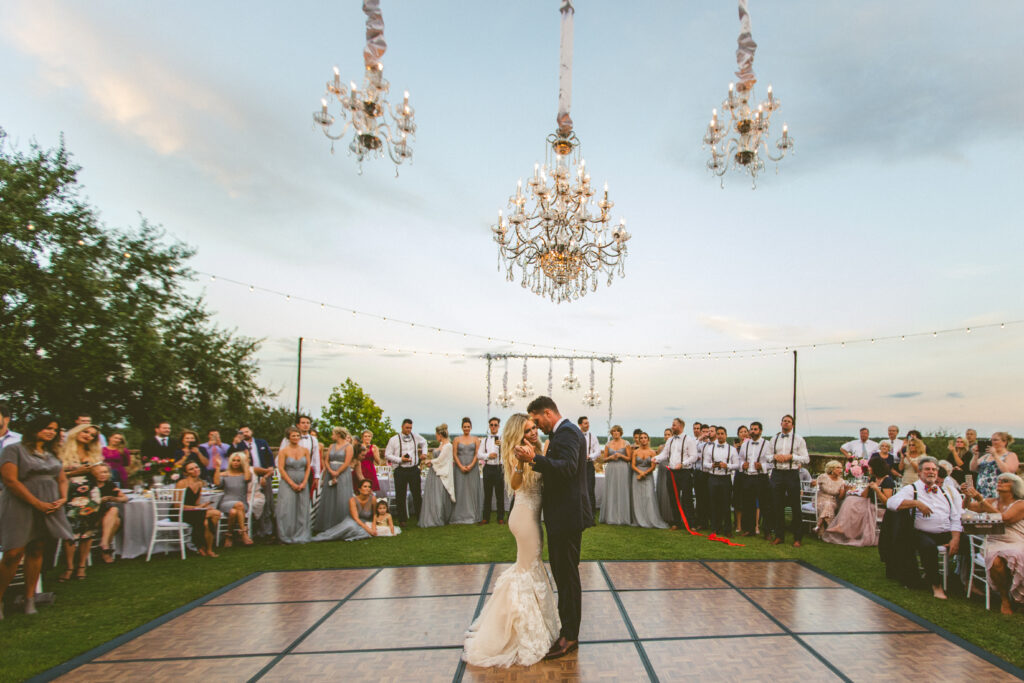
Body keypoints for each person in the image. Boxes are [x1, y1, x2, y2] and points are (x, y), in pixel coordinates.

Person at [463, 413, 560, 667]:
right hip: (524, 518)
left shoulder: (539, 448)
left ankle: (533, 623)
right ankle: (518, 632)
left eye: (534, 428)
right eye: (527, 430)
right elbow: (517, 484)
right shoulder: (516, 452)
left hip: (532, 517)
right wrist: (520, 461)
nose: (532, 432)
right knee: (527, 570)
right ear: (518, 433)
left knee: (530, 568)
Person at [513, 396, 592, 660]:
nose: (536, 426)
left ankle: (570, 636)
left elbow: (568, 468)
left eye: (536, 420)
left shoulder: (567, 432)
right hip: (562, 515)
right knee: (563, 574)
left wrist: (536, 458)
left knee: (567, 576)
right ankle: (567, 630)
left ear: (547, 413)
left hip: (567, 516)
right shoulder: (564, 433)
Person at [0, 415, 72, 618]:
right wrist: (36, 503)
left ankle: (29, 598)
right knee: (13, 553)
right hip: (20, 505)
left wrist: (63, 498)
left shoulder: (51, 453)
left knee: (37, 549)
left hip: (49, 505)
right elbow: (10, 481)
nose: (51, 432)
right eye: (47, 428)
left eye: (55, 429)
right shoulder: (13, 449)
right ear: (34, 429)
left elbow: (62, 478)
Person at [887, 457, 961, 599]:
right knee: (928, 546)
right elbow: (891, 502)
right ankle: (936, 585)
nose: (931, 472)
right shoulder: (912, 489)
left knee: (968, 543)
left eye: (934, 469)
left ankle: (965, 582)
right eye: (927, 469)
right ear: (919, 472)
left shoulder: (944, 492)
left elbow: (955, 517)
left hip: (945, 533)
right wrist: (916, 503)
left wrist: (955, 539)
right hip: (921, 533)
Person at [962, 473, 1024, 615]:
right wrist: (967, 496)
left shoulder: (1021, 504)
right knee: (996, 561)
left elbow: (1005, 519)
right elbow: (968, 507)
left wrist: (980, 499)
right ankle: (1005, 599)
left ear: (1014, 486)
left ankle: (1019, 598)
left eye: (1005, 481)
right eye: (999, 480)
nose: (1000, 482)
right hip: (994, 541)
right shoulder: (991, 501)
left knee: (1018, 554)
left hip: (1016, 541)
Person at [58, 423, 104, 581]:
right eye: (86, 431)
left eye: (92, 435)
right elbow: (57, 474)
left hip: (91, 495)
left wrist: (97, 472)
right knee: (70, 532)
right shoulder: (62, 451)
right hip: (70, 494)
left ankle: (82, 566)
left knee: (88, 532)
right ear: (77, 431)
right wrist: (78, 471)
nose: (88, 436)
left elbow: (101, 476)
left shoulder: (93, 453)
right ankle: (69, 566)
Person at [823, 457, 893, 547]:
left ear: (876, 467)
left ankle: (846, 528)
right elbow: (864, 496)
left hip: (879, 508)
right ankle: (842, 526)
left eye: (870, 467)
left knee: (855, 507)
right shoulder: (873, 478)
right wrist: (868, 487)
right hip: (869, 503)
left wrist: (877, 490)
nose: (868, 468)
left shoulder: (887, 481)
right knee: (849, 499)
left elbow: (888, 502)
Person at [770, 415, 810, 547]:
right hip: (777, 474)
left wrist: (791, 456)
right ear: (780, 423)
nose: (786, 423)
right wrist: (774, 456)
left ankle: (797, 537)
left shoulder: (799, 439)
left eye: (789, 422)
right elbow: (766, 456)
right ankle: (779, 536)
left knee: (795, 506)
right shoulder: (774, 438)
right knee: (777, 505)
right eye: (784, 421)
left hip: (791, 473)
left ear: (792, 425)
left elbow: (806, 459)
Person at [231, 425, 276, 539]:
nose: (245, 433)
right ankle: (253, 530)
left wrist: (269, 471)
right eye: (242, 432)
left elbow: (270, 458)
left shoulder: (261, 443)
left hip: (264, 474)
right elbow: (231, 457)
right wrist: (235, 444)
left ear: (251, 431)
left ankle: (268, 530)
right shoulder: (238, 446)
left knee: (267, 503)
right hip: (248, 476)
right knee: (249, 502)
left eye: (247, 431)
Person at [654, 418, 698, 531]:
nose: (672, 427)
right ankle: (676, 522)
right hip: (672, 472)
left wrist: (683, 464)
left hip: (684, 472)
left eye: (674, 425)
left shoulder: (689, 440)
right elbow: (665, 454)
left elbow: (694, 456)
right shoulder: (670, 440)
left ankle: (691, 523)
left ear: (680, 426)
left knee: (687, 498)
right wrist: (656, 458)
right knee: (673, 498)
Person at [386, 419, 428, 525]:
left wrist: (424, 453)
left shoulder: (415, 436)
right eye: (407, 428)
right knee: (400, 495)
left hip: (414, 469)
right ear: (402, 427)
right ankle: (402, 519)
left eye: (410, 428)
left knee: (417, 494)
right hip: (400, 470)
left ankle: (420, 517)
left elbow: (424, 443)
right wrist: (400, 459)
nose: (409, 430)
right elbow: (387, 455)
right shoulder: (393, 439)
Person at [176, 461, 222, 557]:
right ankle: (202, 545)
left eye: (196, 467)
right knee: (216, 513)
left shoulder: (199, 483)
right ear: (186, 473)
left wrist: (204, 506)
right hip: (181, 513)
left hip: (193, 511)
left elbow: (196, 502)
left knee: (207, 521)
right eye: (191, 469)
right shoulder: (182, 483)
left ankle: (207, 548)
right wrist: (197, 508)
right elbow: (177, 506)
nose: (195, 470)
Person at [276, 427, 312, 544]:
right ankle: (286, 534)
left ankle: (301, 533)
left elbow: (308, 468)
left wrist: (305, 482)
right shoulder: (283, 451)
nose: (296, 438)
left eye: (297, 436)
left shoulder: (305, 450)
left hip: (302, 480)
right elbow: (281, 468)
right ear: (288, 437)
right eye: (293, 436)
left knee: (302, 507)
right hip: (288, 481)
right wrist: (291, 483)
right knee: (286, 507)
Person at [315, 427, 355, 533]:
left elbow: (347, 462)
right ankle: (328, 524)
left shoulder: (349, 446)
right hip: (330, 473)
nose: (332, 436)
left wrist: (337, 473)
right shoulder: (331, 446)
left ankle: (341, 524)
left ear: (338, 435)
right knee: (329, 497)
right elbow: (326, 460)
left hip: (343, 474)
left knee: (342, 497)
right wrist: (330, 471)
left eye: (333, 434)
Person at [738, 421, 773, 538]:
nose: (753, 431)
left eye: (755, 429)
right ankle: (749, 529)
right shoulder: (745, 445)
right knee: (748, 505)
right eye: (751, 429)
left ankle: (767, 531)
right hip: (748, 477)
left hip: (761, 477)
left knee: (765, 505)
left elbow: (772, 463)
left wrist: (762, 466)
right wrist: (742, 465)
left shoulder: (767, 444)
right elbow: (740, 459)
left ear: (761, 431)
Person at [313, 479, 377, 542]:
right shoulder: (352, 500)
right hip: (354, 521)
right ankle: (325, 537)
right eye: (365, 486)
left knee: (362, 532)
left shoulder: (373, 499)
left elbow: (375, 514)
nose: (368, 488)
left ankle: (346, 535)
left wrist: (373, 527)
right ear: (359, 489)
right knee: (350, 526)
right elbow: (356, 518)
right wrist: (369, 530)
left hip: (366, 521)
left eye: (369, 487)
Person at [704, 426, 740, 537]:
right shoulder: (710, 448)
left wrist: (727, 465)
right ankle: (715, 528)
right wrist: (712, 465)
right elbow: (705, 464)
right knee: (714, 504)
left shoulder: (732, 449)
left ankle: (727, 529)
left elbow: (737, 465)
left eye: (722, 433)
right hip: (713, 477)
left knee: (725, 504)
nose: (720, 435)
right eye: (718, 433)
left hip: (725, 479)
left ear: (726, 435)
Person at [214, 451, 254, 546]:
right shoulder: (225, 474)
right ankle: (244, 533)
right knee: (238, 505)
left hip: (242, 503)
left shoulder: (245, 474)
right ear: (230, 462)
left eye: (238, 461)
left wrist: (247, 462)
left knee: (234, 512)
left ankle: (229, 535)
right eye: (234, 460)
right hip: (226, 502)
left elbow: (248, 478)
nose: (235, 462)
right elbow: (217, 483)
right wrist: (218, 468)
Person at [420, 423, 455, 528]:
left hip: (440, 473)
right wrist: (431, 462)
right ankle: (431, 516)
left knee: (439, 496)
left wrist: (430, 460)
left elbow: (442, 460)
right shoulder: (441, 445)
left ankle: (438, 517)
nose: (435, 436)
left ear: (440, 434)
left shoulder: (448, 445)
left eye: (436, 434)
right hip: (434, 472)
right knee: (432, 495)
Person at [630, 432, 668, 529]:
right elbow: (633, 465)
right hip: (637, 475)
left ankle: (650, 518)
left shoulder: (652, 452)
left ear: (648, 439)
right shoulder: (635, 452)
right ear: (638, 440)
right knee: (637, 497)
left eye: (645, 438)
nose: (643, 439)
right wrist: (640, 473)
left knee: (648, 496)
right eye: (641, 438)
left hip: (648, 476)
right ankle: (638, 519)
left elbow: (653, 467)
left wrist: (644, 473)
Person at [448, 418, 481, 525]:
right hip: (459, 467)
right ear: (462, 427)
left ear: (471, 427)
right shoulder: (457, 439)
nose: (466, 428)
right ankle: (459, 515)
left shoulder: (475, 439)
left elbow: (477, 453)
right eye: (465, 426)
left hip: (472, 467)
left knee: (471, 489)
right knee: (460, 489)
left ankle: (472, 514)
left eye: (468, 426)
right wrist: (461, 466)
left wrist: (471, 465)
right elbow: (454, 454)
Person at [278, 416, 321, 500]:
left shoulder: (313, 440)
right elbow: (280, 457)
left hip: (307, 472)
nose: (306, 425)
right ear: (298, 425)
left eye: (308, 423)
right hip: (290, 471)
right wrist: (281, 475)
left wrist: (316, 475)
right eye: (303, 423)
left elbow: (316, 458)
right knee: (289, 498)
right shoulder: (287, 439)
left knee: (305, 497)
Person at [92, 462, 127, 563]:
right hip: (92, 515)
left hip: (106, 517)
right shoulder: (90, 485)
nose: (103, 475)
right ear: (94, 474)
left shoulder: (109, 485)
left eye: (105, 472)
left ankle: (104, 545)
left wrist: (113, 498)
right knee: (115, 518)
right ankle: (105, 548)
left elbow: (125, 498)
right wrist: (98, 501)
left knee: (114, 513)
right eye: (100, 472)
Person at [600, 425, 633, 525]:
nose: (615, 433)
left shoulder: (626, 443)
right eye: (613, 431)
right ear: (611, 433)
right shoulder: (608, 444)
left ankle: (623, 516)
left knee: (622, 490)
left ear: (620, 433)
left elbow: (629, 458)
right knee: (612, 490)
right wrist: (611, 457)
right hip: (611, 468)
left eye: (617, 431)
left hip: (623, 468)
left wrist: (621, 455)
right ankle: (611, 516)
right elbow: (604, 459)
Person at [971, 432, 1019, 499]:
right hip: (982, 491)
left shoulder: (1010, 455)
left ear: (1004, 442)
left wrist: (995, 455)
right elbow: (973, 468)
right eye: (991, 440)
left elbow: (1008, 472)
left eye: (995, 440)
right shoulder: (986, 456)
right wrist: (975, 455)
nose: (992, 442)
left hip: (998, 491)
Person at [478, 417, 505, 525]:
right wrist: (488, 455)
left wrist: (502, 445)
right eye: (491, 425)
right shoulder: (484, 440)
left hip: (499, 468)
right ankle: (485, 518)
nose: (493, 427)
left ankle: (500, 518)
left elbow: (509, 453)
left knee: (500, 495)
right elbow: (478, 455)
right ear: (489, 426)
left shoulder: (503, 439)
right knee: (487, 494)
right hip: (488, 468)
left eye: (495, 425)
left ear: (498, 426)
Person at [814, 461, 848, 537]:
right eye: (838, 468)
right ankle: (831, 529)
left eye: (841, 468)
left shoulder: (842, 481)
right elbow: (813, 485)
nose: (841, 470)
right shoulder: (823, 477)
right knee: (827, 505)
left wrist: (845, 490)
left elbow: (840, 497)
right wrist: (813, 483)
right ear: (831, 469)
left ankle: (818, 526)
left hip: (833, 501)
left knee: (828, 504)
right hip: (820, 499)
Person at [579, 416, 602, 517]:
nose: (588, 425)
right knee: (578, 489)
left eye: (588, 423)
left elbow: (598, 451)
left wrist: (590, 456)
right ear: (580, 425)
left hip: (588, 465)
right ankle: (579, 513)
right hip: (577, 465)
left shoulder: (592, 436)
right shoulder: (575, 435)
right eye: (585, 423)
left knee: (589, 489)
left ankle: (591, 515)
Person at [654, 427, 676, 524]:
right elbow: (658, 459)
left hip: (671, 471)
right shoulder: (660, 447)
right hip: (662, 471)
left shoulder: (675, 447)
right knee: (661, 491)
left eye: (668, 434)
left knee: (669, 492)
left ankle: (671, 516)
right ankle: (661, 515)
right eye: (665, 434)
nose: (666, 436)